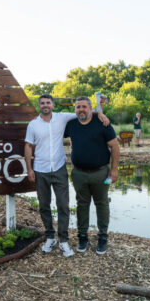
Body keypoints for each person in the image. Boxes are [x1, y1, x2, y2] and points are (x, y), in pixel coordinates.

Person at [25, 95, 110, 257]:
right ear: (39, 105)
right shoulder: (33, 125)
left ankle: (63, 240)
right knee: (44, 205)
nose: (45, 105)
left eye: (48, 103)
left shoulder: (62, 118)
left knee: (63, 205)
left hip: (59, 169)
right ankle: (50, 237)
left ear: (53, 104)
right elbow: (28, 146)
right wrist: (29, 169)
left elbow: (86, 111)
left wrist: (101, 113)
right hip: (40, 169)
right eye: (42, 103)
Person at [65, 96, 120, 255]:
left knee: (102, 204)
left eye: (84, 107)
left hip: (101, 173)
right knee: (82, 204)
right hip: (78, 174)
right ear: (75, 109)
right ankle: (82, 236)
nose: (81, 109)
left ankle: (102, 237)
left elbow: (115, 147)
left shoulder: (103, 124)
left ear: (91, 108)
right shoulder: (71, 125)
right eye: (78, 107)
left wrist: (114, 170)